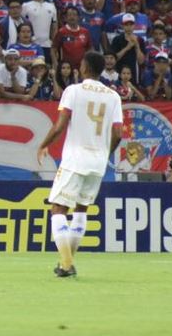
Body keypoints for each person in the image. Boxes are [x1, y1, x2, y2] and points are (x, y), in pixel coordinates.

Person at [37, 52, 123, 278]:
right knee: (82, 209)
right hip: (98, 161)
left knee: (58, 208)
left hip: (75, 159)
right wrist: (106, 153)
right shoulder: (113, 96)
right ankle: (68, 261)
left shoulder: (73, 91)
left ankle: (65, 264)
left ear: (84, 68)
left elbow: (60, 125)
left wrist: (43, 144)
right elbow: (118, 133)